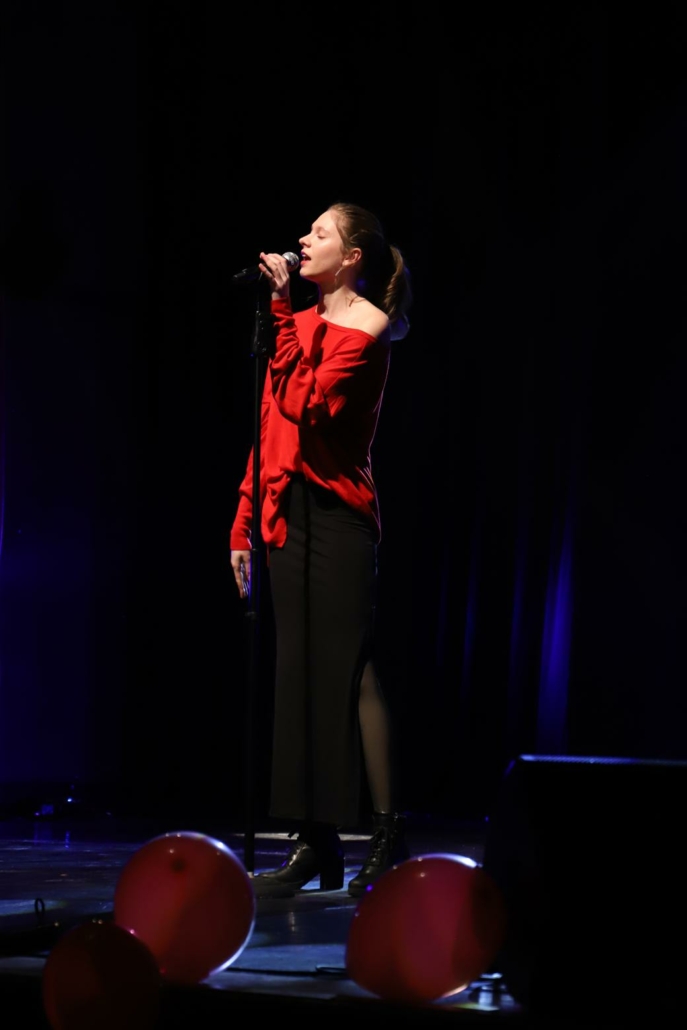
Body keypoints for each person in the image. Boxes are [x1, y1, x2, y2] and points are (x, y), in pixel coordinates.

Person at [229, 201, 412, 898]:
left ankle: (389, 832)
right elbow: (271, 430)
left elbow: (310, 406)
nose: (303, 240)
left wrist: (281, 314)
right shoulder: (298, 324)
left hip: (338, 518)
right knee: (297, 674)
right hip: (286, 514)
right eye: (307, 232)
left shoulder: (368, 327)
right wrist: (243, 521)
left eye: (320, 233)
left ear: (352, 256)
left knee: (350, 671)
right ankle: (315, 843)